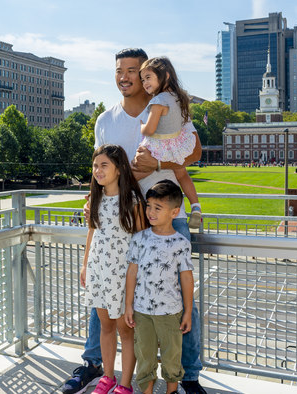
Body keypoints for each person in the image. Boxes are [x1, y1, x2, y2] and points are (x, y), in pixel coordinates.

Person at [62, 48, 206, 394]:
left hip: (166, 218)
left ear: (147, 74)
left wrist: (156, 166)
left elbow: (196, 152)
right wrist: (91, 200)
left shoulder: (167, 105)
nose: (125, 76)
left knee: (183, 301)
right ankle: (95, 365)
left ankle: (187, 376)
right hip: (118, 223)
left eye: (133, 70)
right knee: (106, 295)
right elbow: (101, 167)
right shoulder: (105, 120)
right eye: (119, 70)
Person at [81, 144, 146, 394]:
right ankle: (107, 377)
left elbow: (141, 240)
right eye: (95, 165)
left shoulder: (131, 201)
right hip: (99, 271)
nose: (97, 170)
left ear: (119, 169)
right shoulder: (95, 198)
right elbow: (92, 232)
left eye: (104, 165)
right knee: (105, 327)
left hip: (122, 275)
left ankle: (125, 384)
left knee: (125, 331)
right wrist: (85, 265)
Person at [125, 180, 194, 394]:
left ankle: (171, 391)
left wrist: (188, 311)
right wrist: (128, 305)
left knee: (171, 356)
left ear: (174, 212)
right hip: (142, 311)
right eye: (148, 206)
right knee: (144, 355)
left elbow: (186, 279)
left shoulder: (181, 243)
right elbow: (132, 273)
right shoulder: (139, 239)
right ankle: (146, 390)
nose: (150, 212)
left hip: (170, 312)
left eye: (157, 207)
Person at [133, 56, 201, 229]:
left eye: (147, 78)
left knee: (133, 172)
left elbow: (149, 130)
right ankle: (196, 207)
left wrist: (156, 163)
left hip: (158, 147)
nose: (144, 83)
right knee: (182, 174)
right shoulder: (179, 100)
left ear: (166, 76)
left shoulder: (157, 101)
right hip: (175, 145)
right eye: (143, 79)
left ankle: (122, 199)